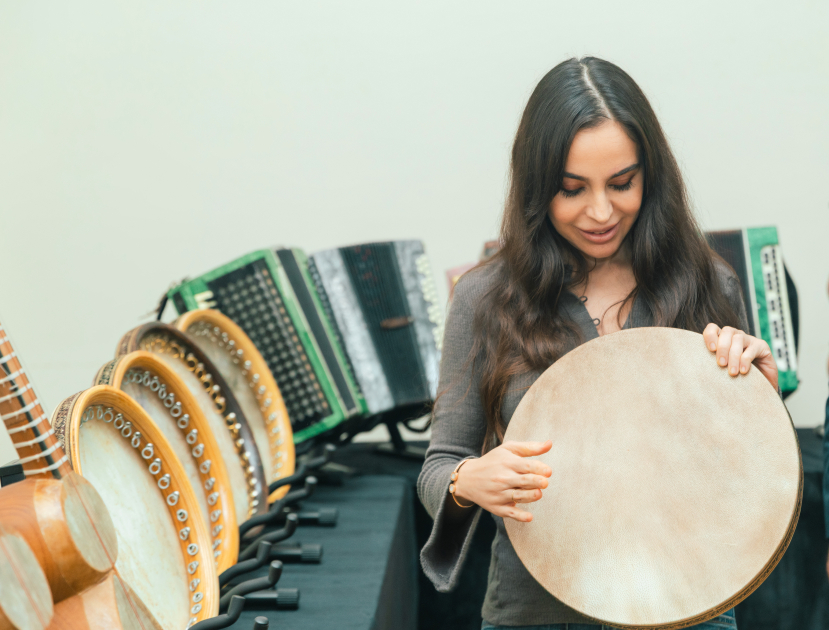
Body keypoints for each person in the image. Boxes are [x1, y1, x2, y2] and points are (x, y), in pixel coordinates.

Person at [418, 57, 779, 630]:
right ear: (537, 187)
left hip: (690, 608)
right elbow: (440, 466)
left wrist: (760, 398)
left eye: (622, 183)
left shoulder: (707, 281)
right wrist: (469, 481)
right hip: (536, 614)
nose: (601, 212)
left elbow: (739, 476)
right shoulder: (486, 297)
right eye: (571, 189)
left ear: (650, 175)